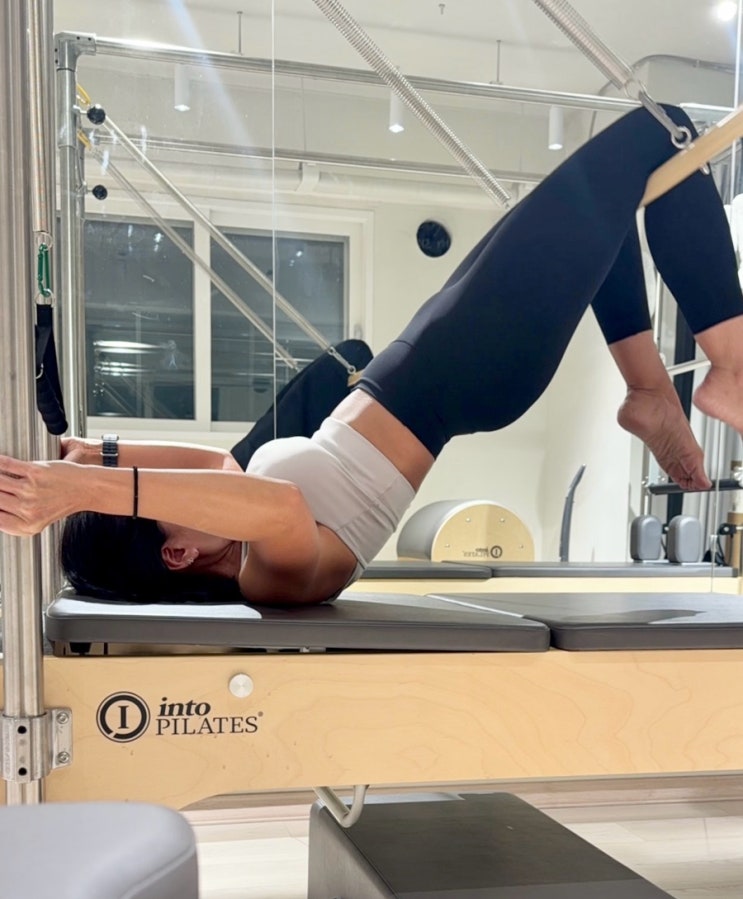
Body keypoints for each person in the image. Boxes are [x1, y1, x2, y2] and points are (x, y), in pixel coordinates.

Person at [1, 105, 742, 607]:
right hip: (465, 372)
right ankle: (732, 371)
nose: (175, 494)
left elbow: (217, 468)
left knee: (609, 205)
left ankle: (649, 392)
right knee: (662, 131)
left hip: (425, 360)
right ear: (177, 556)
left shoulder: (231, 520)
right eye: (158, 507)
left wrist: (85, 455)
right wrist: (86, 490)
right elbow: (280, 505)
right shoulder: (273, 577)